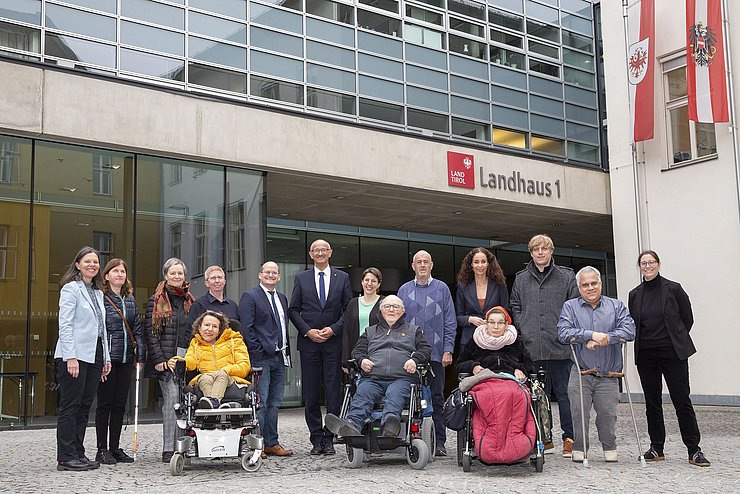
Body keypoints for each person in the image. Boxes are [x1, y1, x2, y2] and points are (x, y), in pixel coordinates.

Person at [628, 250, 709, 467]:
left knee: (682, 400)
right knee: (652, 403)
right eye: (643, 263)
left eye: (651, 262)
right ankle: (657, 448)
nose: (647, 266)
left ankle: (694, 450)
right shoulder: (635, 294)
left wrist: (675, 338)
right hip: (646, 355)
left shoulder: (673, 288)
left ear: (658, 264)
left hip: (672, 353)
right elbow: (635, 323)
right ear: (639, 267)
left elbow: (687, 319)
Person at [557, 266, 635, 463]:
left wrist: (606, 338)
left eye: (594, 283)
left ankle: (609, 447)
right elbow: (563, 333)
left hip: (609, 373)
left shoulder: (616, 306)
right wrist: (589, 335)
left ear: (600, 284)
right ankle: (580, 448)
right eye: (585, 285)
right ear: (579, 287)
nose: (590, 288)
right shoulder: (570, 307)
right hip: (581, 371)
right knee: (578, 413)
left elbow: (629, 330)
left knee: (607, 414)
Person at [510, 234, 578, 457]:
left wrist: (564, 331)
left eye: (544, 249)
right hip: (533, 347)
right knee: (538, 396)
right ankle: (543, 438)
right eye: (536, 249)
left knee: (566, 395)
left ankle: (570, 438)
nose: (540, 252)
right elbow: (515, 306)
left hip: (560, 347)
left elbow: (575, 307)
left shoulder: (567, 276)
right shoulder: (521, 279)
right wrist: (524, 328)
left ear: (551, 251)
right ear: (531, 253)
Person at [326, 295, 431, 438]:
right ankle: (351, 425)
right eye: (387, 306)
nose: (391, 310)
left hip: (401, 378)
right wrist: (362, 360)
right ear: (381, 311)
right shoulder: (370, 331)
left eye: (396, 307)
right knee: (362, 394)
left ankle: (389, 426)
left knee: (395, 396)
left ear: (402, 311)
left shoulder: (413, 330)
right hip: (373, 377)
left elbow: (425, 350)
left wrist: (414, 360)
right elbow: (357, 351)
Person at [288, 239, 353, 455]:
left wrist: (333, 329)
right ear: (310, 254)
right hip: (309, 344)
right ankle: (316, 438)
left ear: (330, 253)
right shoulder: (302, 278)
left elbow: (348, 310)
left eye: (324, 250)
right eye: (316, 250)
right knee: (312, 392)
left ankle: (329, 436)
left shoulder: (342, 277)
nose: (320, 253)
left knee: (334, 392)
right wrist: (308, 331)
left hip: (333, 343)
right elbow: (293, 310)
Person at [55, 246, 112, 471]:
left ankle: (78, 453)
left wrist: (106, 358)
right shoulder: (71, 289)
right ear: (77, 264)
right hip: (74, 355)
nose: (92, 265)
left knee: (84, 406)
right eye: (87, 261)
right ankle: (65, 457)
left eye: (95, 262)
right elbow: (65, 325)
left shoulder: (98, 293)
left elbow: (102, 329)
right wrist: (71, 357)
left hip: (95, 354)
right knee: (70, 406)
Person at [397, 250, 456, 456]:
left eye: (426, 262)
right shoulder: (403, 290)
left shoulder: (442, 288)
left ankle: (439, 441)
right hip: (410, 357)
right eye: (418, 262)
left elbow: (450, 321)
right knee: (410, 398)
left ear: (432, 265)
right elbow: (397, 322)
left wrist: (448, 349)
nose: (422, 265)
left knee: (437, 398)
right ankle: (411, 440)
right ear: (413, 266)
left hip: (436, 354)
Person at [239, 261, 294, 457]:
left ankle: (272, 442)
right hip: (261, 358)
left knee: (275, 402)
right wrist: (258, 351)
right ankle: (257, 444)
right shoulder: (250, 297)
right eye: (267, 272)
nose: (271, 275)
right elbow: (247, 327)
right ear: (260, 275)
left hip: (280, 356)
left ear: (278, 277)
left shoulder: (282, 298)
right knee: (260, 403)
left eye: (275, 273)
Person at [144, 257, 196, 463]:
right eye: (173, 273)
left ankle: (183, 446)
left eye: (180, 273)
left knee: (187, 402)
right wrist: (159, 360)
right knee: (173, 400)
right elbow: (150, 332)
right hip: (166, 360)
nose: (177, 276)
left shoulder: (190, 300)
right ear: (166, 276)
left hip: (186, 359)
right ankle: (169, 448)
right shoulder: (155, 300)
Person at [95, 259, 146, 465]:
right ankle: (101, 448)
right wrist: (101, 357)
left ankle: (115, 447)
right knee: (105, 404)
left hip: (126, 358)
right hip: (108, 358)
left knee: (119, 405)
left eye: (122, 271)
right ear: (106, 276)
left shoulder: (130, 298)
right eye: (115, 271)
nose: (119, 275)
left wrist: (139, 356)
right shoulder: (101, 297)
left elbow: (137, 330)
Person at [168, 311, 250, 408]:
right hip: (206, 378)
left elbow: (244, 365)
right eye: (206, 325)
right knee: (204, 377)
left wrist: (226, 370)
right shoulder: (195, 343)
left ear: (219, 330)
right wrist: (178, 361)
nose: (210, 329)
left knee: (221, 374)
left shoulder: (235, 341)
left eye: (214, 326)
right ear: (199, 327)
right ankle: (215, 404)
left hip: (231, 379)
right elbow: (191, 360)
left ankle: (213, 404)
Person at [456, 306, 532, 381]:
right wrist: (473, 367)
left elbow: (529, 364)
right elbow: (459, 365)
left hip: (510, 380)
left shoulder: (516, 341)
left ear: (506, 325)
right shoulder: (476, 341)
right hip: (483, 381)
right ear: (486, 323)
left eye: (500, 323)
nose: (496, 327)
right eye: (492, 322)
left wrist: (520, 369)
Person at [455, 247, 510, 350]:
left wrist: (492, 320)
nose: (480, 265)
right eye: (476, 262)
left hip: (494, 340)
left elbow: (506, 311)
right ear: (471, 265)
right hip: (469, 341)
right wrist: (470, 319)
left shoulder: (499, 285)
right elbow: (458, 317)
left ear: (488, 264)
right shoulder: (463, 287)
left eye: (483, 262)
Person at [342, 267, 384, 366]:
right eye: (366, 280)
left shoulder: (384, 303)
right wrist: (345, 360)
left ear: (378, 284)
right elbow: (346, 332)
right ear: (362, 282)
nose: (369, 284)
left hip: (377, 354)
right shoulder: (352, 303)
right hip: (355, 354)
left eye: (373, 281)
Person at [186, 265, 239, 332]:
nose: (217, 281)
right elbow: (190, 331)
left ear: (224, 281)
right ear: (206, 283)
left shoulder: (233, 306)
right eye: (213, 278)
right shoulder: (199, 305)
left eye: (220, 277)